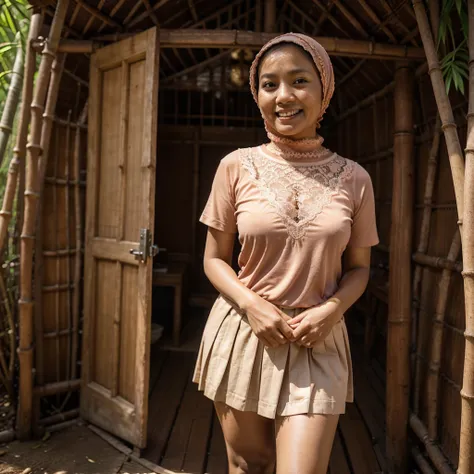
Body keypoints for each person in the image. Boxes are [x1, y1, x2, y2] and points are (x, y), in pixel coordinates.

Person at [193, 33, 379, 474]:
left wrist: (331, 311)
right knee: (248, 464)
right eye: (269, 84)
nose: (284, 96)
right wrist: (253, 306)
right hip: (245, 331)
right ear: (257, 95)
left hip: (319, 338)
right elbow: (214, 259)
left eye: (299, 81)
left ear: (324, 90)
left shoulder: (354, 179)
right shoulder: (236, 166)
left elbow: (360, 270)